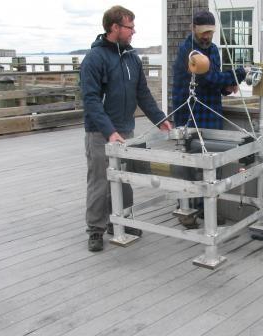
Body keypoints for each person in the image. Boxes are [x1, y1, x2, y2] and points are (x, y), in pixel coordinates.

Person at [80, 5, 172, 252]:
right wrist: (109, 131)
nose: (134, 31)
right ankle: (96, 230)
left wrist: (160, 119)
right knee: (100, 182)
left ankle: (121, 221)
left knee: (124, 180)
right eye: (130, 27)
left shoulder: (132, 58)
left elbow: (143, 94)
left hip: (126, 131)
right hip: (100, 133)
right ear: (115, 28)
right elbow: (90, 100)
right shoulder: (94, 59)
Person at [172, 10, 247, 130]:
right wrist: (240, 74)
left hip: (212, 114)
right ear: (193, 28)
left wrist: (227, 87)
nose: (207, 36)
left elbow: (216, 80)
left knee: (215, 149)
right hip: (190, 117)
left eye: (210, 32)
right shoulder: (188, 50)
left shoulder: (214, 49)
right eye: (203, 32)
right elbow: (208, 79)